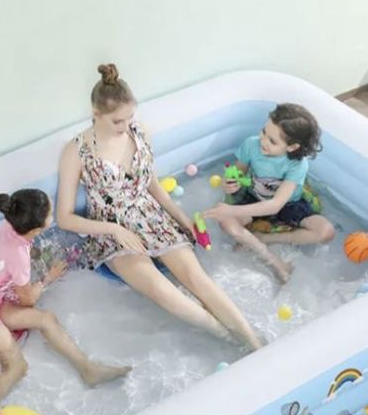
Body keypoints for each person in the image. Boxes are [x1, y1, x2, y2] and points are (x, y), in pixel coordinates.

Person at [56, 63, 262, 350]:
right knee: (160, 290)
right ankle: (227, 339)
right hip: (109, 229)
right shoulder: (76, 151)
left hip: (151, 216)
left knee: (197, 279)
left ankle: (254, 343)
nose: (125, 126)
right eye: (117, 121)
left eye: (129, 117)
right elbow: (64, 218)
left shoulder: (140, 132)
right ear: (95, 113)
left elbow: (151, 184)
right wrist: (114, 230)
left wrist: (181, 218)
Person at [0, 188, 130, 415]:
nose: (53, 211)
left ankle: (89, 369)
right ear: (36, 228)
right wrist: (47, 279)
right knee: (17, 367)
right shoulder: (18, 256)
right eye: (50, 211)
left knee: (46, 319)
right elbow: (27, 300)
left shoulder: (8, 224)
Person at [204, 103, 335, 257]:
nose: (263, 140)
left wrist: (231, 210)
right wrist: (230, 183)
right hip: (253, 198)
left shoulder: (297, 165)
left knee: (326, 231)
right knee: (226, 223)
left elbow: (276, 205)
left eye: (272, 141)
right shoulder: (251, 145)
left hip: (288, 205)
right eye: (264, 131)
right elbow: (237, 173)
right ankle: (255, 242)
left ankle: (267, 238)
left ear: (292, 147)